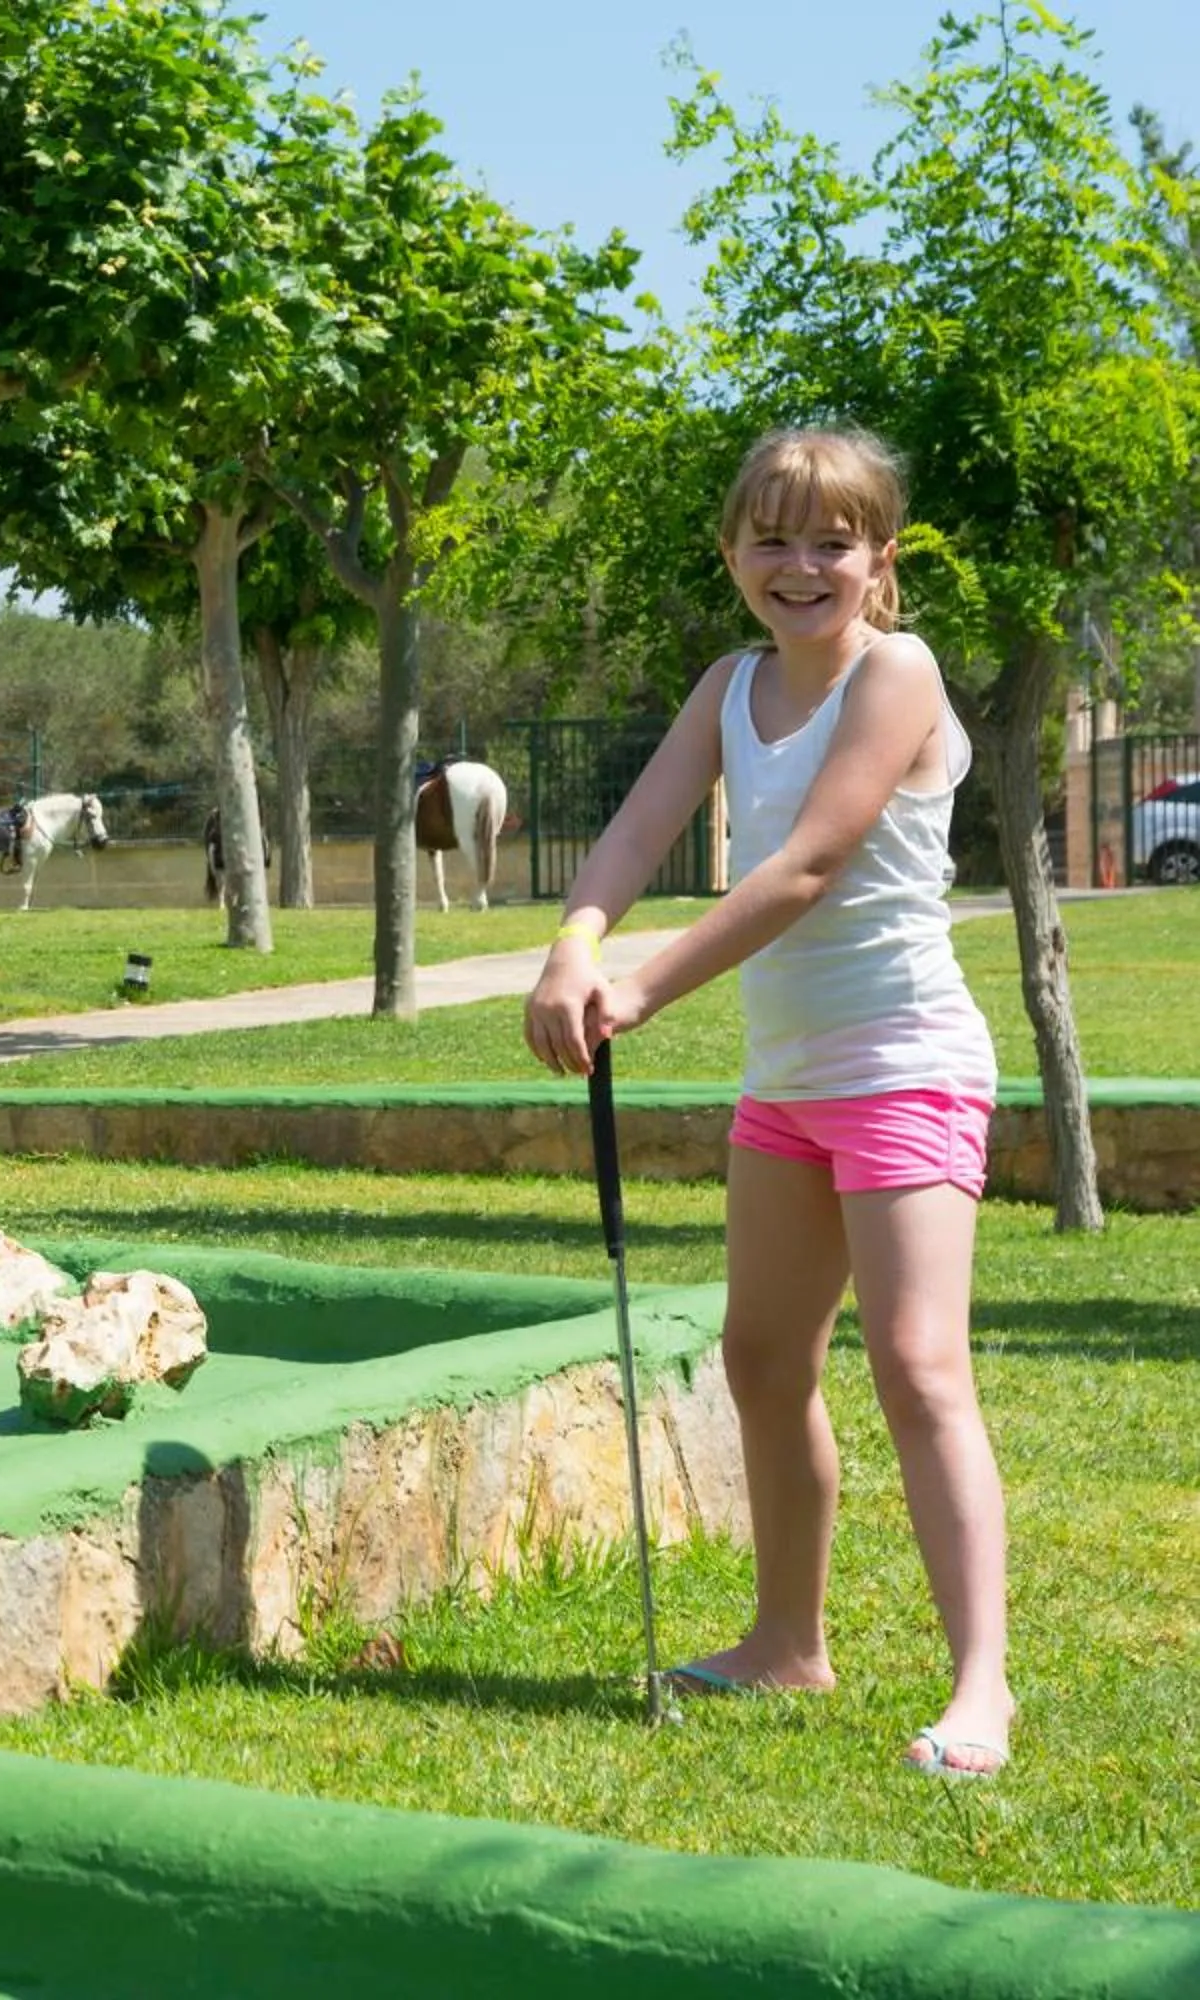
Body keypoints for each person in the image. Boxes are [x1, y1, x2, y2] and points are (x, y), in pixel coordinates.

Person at [522, 426, 1012, 1781]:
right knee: (762, 1358)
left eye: (831, 542)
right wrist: (574, 940)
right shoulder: (729, 687)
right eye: (771, 538)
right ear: (732, 551)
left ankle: (983, 1685)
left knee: (919, 1364)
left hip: (904, 1062)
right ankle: (789, 1642)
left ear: (879, 557)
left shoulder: (897, 671)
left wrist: (640, 985)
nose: (800, 565)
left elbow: (808, 863)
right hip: (788, 1082)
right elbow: (638, 830)